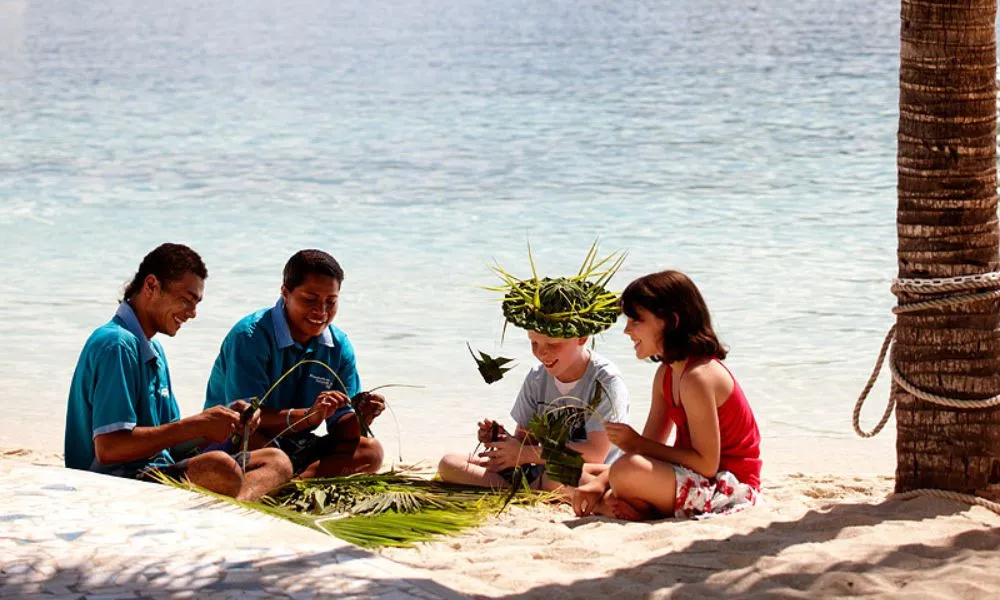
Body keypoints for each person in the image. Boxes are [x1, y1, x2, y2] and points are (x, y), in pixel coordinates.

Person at [65, 243, 293, 501]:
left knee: (277, 461)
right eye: (186, 300)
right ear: (151, 286)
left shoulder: (153, 349)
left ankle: (235, 503)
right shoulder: (117, 344)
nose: (193, 313)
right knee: (221, 467)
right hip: (116, 481)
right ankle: (234, 503)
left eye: (196, 303)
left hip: (157, 470)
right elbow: (109, 449)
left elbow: (170, 439)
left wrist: (224, 421)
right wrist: (195, 425)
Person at [572, 270, 761, 520]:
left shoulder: (699, 377)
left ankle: (635, 507)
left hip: (729, 487)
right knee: (593, 472)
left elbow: (707, 464)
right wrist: (601, 482)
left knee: (628, 469)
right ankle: (631, 505)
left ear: (671, 321)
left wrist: (637, 445)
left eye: (636, 320)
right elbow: (650, 444)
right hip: (695, 478)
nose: (627, 330)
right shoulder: (666, 374)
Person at [437, 248, 630, 490]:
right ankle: (515, 490)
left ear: (581, 338)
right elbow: (525, 439)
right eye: (534, 343)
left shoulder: (605, 380)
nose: (542, 352)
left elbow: (594, 454)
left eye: (553, 344)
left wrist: (526, 454)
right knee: (449, 462)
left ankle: (528, 487)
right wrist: (503, 441)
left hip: (585, 473)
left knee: (557, 477)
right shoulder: (538, 376)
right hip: (536, 467)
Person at [204, 249, 384, 477]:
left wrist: (362, 416)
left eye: (331, 301)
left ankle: (297, 482)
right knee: (256, 441)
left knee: (371, 451)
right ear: (285, 293)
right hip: (241, 440)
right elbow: (245, 420)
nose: (321, 311)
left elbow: (342, 428)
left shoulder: (339, 346)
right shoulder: (250, 336)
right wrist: (309, 415)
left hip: (295, 445)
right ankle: (282, 475)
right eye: (310, 300)